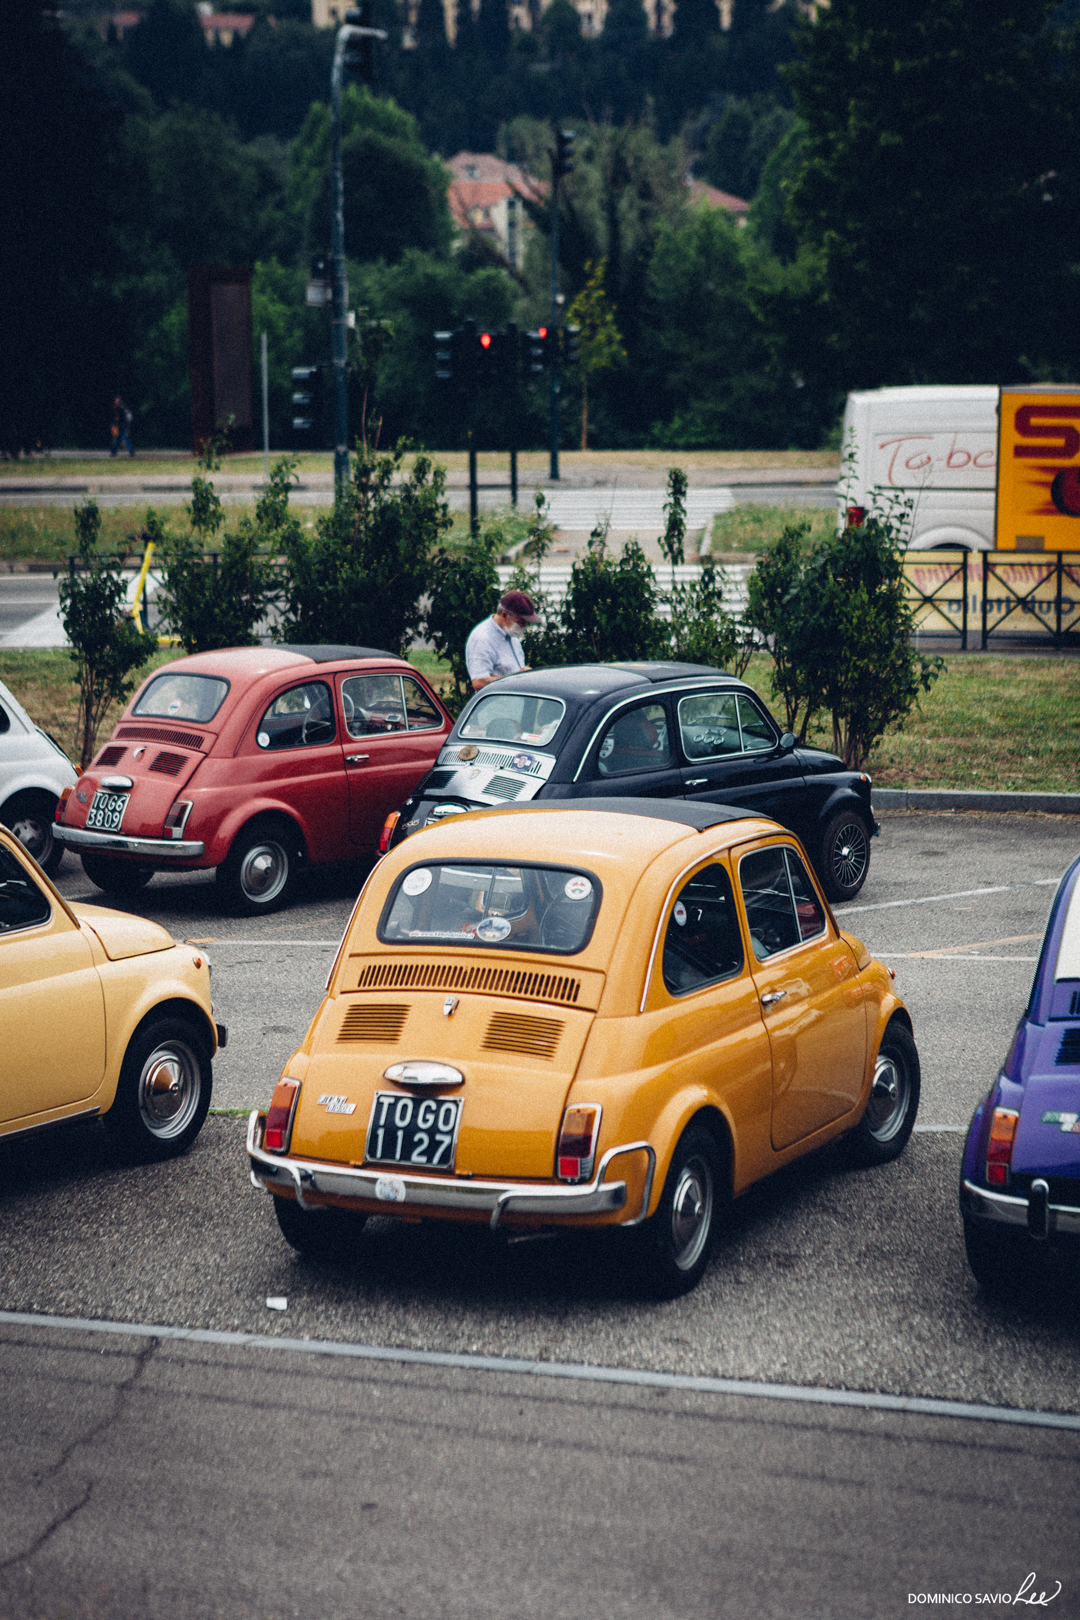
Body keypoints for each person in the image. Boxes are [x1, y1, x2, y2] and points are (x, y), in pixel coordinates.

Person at [465, 590, 539, 691]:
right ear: (504, 615)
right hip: (497, 705)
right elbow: (479, 682)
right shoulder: (483, 638)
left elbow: (512, 670)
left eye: (525, 623)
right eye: (520, 622)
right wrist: (515, 679)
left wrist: (525, 674)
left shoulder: (511, 636)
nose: (523, 627)